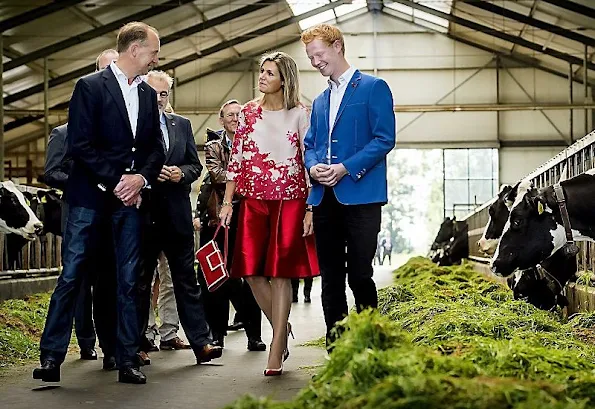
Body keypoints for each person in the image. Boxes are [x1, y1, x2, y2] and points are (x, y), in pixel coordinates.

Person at [34, 22, 165, 385]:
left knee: (128, 281)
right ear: (135, 49)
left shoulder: (146, 95)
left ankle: (126, 359)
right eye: (154, 51)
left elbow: (156, 147)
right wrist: (118, 180)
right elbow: (80, 145)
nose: (156, 58)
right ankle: (51, 357)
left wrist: (141, 179)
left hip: (130, 201)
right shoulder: (88, 87)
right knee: (72, 275)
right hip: (89, 199)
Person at [219, 51, 318, 377]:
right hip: (254, 200)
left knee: (280, 273)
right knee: (250, 271)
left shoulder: (301, 114)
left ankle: (276, 345)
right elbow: (237, 159)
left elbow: (308, 163)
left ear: (284, 79)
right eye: (261, 71)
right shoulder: (248, 112)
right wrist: (227, 202)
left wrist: (309, 208)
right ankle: (282, 325)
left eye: (269, 73)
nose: (262, 76)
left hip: (290, 199)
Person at [301, 24, 396, 350]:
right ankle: (337, 343)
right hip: (324, 196)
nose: (315, 61)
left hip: (361, 196)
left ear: (338, 46)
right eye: (310, 56)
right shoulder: (320, 100)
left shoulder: (373, 87)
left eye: (319, 53)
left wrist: (345, 168)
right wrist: (313, 166)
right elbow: (310, 144)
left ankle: (371, 338)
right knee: (329, 277)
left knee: (359, 273)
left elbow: (385, 138)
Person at [137, 69, 222, 365]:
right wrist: (146, 176)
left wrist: (179, 174)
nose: (159, 99)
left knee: (186, 280)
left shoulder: (181, 125)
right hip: (142, 215)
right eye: (153, 93)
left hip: (177, 216)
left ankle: (202, 343)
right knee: (140, 281)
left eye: (164, 94)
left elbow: (194, 166)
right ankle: (137, 343)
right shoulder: (130, 126)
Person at [42, 49, 119, 367]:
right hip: (79, 215)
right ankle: (58, 353)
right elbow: (52, 172)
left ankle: (112, 350)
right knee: (73, 281)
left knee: (109, 285)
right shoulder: (63, 133)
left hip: (113, 218)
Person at [199, 99, 265, 352]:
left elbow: (261, 174)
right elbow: (217, 176)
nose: (235, 118)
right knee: (216, 279)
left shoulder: (256, 143)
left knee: (250, 277)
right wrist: (243, 176)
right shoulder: (214, 146)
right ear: (221, 120)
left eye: (239, 114)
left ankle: (254, 335)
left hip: (249, 218)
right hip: (219, 219)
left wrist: (240, 176)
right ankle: (216, 334)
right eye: (229, 115)